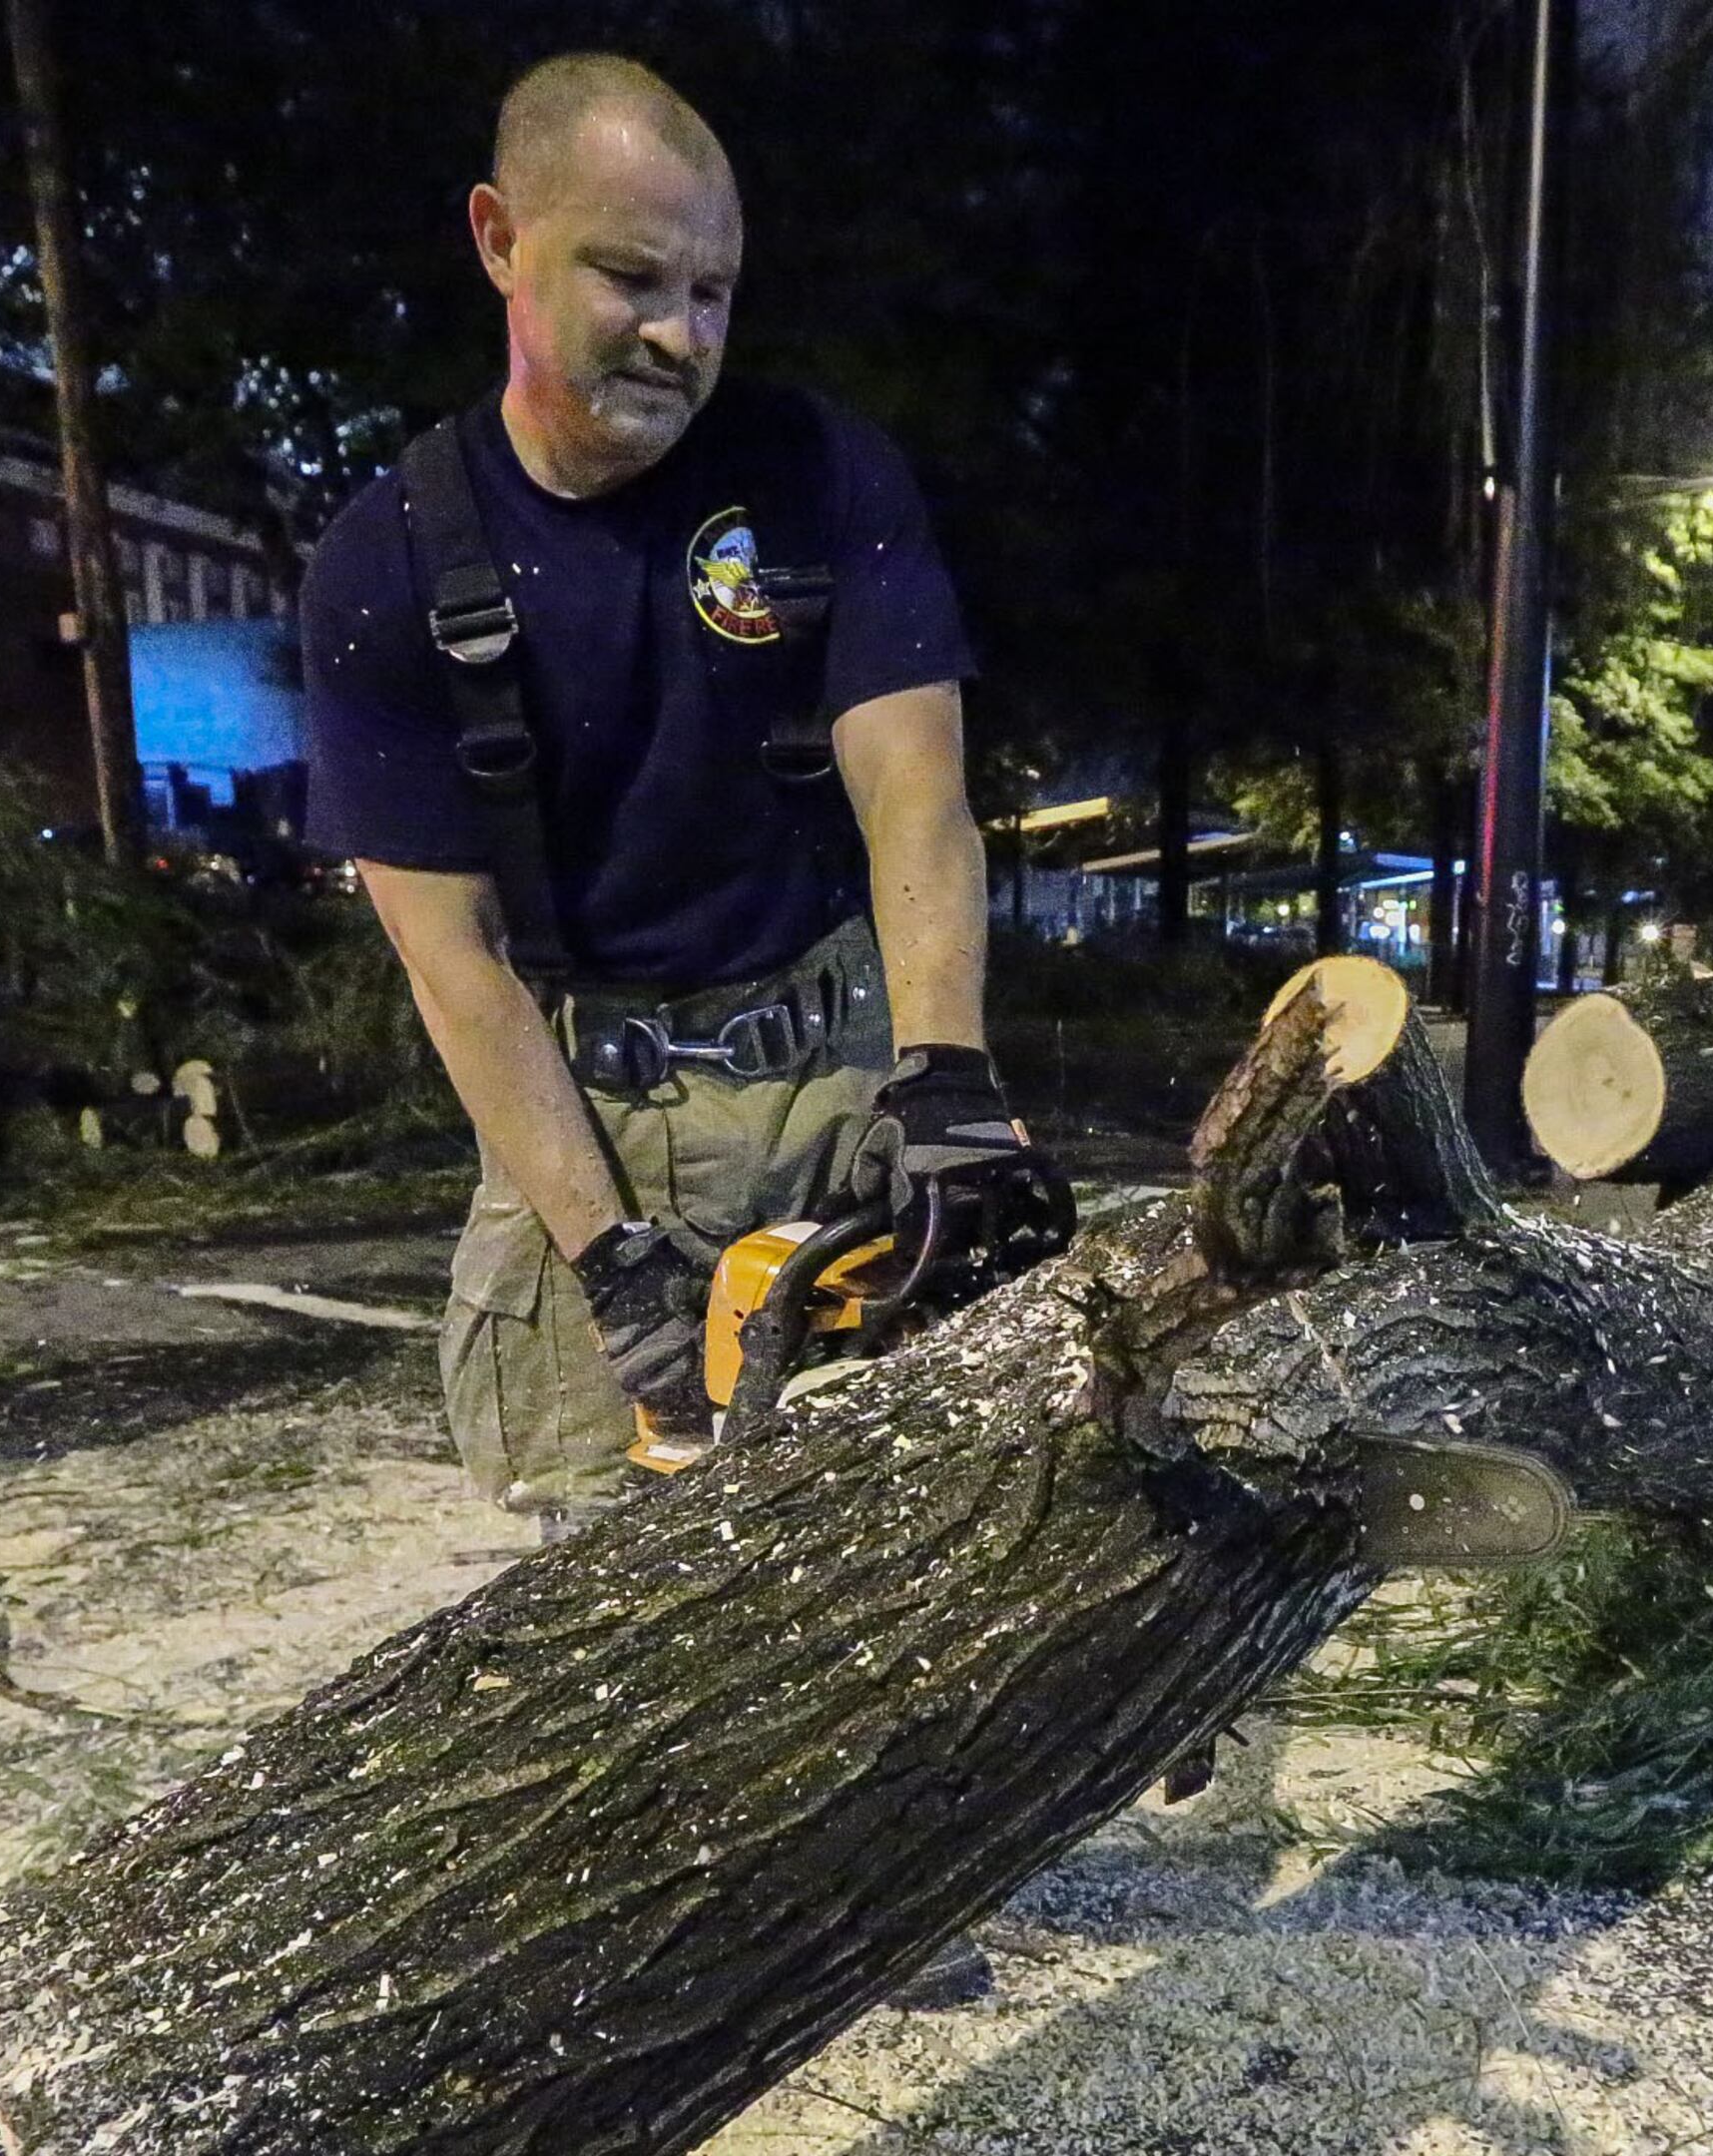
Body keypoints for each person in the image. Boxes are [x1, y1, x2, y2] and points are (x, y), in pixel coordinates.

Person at [300, 50, 1059, 1558]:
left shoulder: (819, 474)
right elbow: (457, 966)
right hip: (591, 1109)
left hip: (841, 1074)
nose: (679, 334)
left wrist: (950, 1081)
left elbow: (916, 794)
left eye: (713, 292)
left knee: (923, 1539)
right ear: (501, 240)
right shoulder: (384, 568)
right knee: (614, 1584)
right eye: (633, 277)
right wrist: (608, 1263)